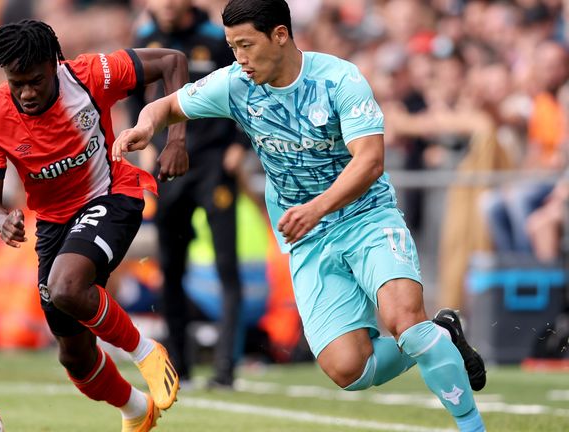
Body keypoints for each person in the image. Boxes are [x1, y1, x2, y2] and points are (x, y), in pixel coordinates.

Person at [112, 1, 488, 430]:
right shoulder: (236, 83)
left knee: (405, 322)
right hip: (308, 237)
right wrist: (144, 128)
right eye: (233, 47)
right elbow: (166, 106)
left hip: (366, 218)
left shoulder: (338, 78)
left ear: (280, 35)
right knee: (348, 369)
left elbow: (369, 162)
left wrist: (316, 207)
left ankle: (470, 422)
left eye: (247, 45)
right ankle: (443, 338)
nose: (240, 58)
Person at [0, 19, 188, 432]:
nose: (27, 92)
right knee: (74, 356)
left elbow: (172, 62)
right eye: (18, 83)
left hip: (112, 194)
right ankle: (136, 409)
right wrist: (3, 222)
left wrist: (175, 140)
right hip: (54, 225)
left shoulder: (90, 76)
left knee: (67, 286)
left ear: (55, 65)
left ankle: (145, 350)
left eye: (35, 81)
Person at [130, 0, 249, 389]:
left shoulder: (216, 38)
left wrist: (239, 143)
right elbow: (135, 95)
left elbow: (245, 84)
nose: (161, 6)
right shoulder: (147, 38)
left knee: (227, 268)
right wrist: (145, 142)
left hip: (214, 164)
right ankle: (179, 364)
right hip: (168, 166)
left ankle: (226, 369)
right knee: (171, 269)